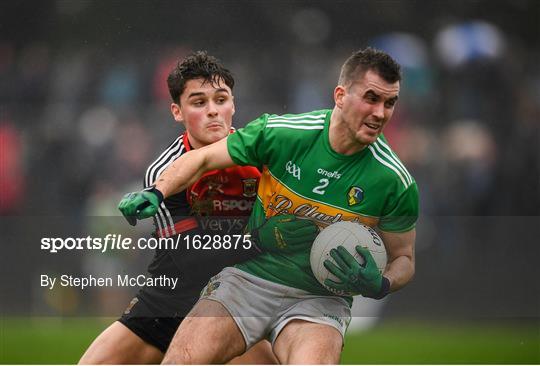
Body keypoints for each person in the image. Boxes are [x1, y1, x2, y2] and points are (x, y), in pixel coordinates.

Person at [118, 47, 419, 364]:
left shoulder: (394, 181)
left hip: (320, 300)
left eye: (390, 103)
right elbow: (202, 158)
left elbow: (404, 258)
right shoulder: (284, 134)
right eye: (371, 98)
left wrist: (382, 283)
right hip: (247, 281)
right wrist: (158, 191)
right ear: (341, 95)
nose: (380, 113)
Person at [80, 51, 317, 364]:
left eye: (221, 99)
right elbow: (188, 257)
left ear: (233, 104)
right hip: (170, 302)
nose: (213, 112)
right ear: (177, 112)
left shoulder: (265, 162)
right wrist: (261, 240)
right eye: (199, 102)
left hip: (237, 304)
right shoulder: (164, 173)